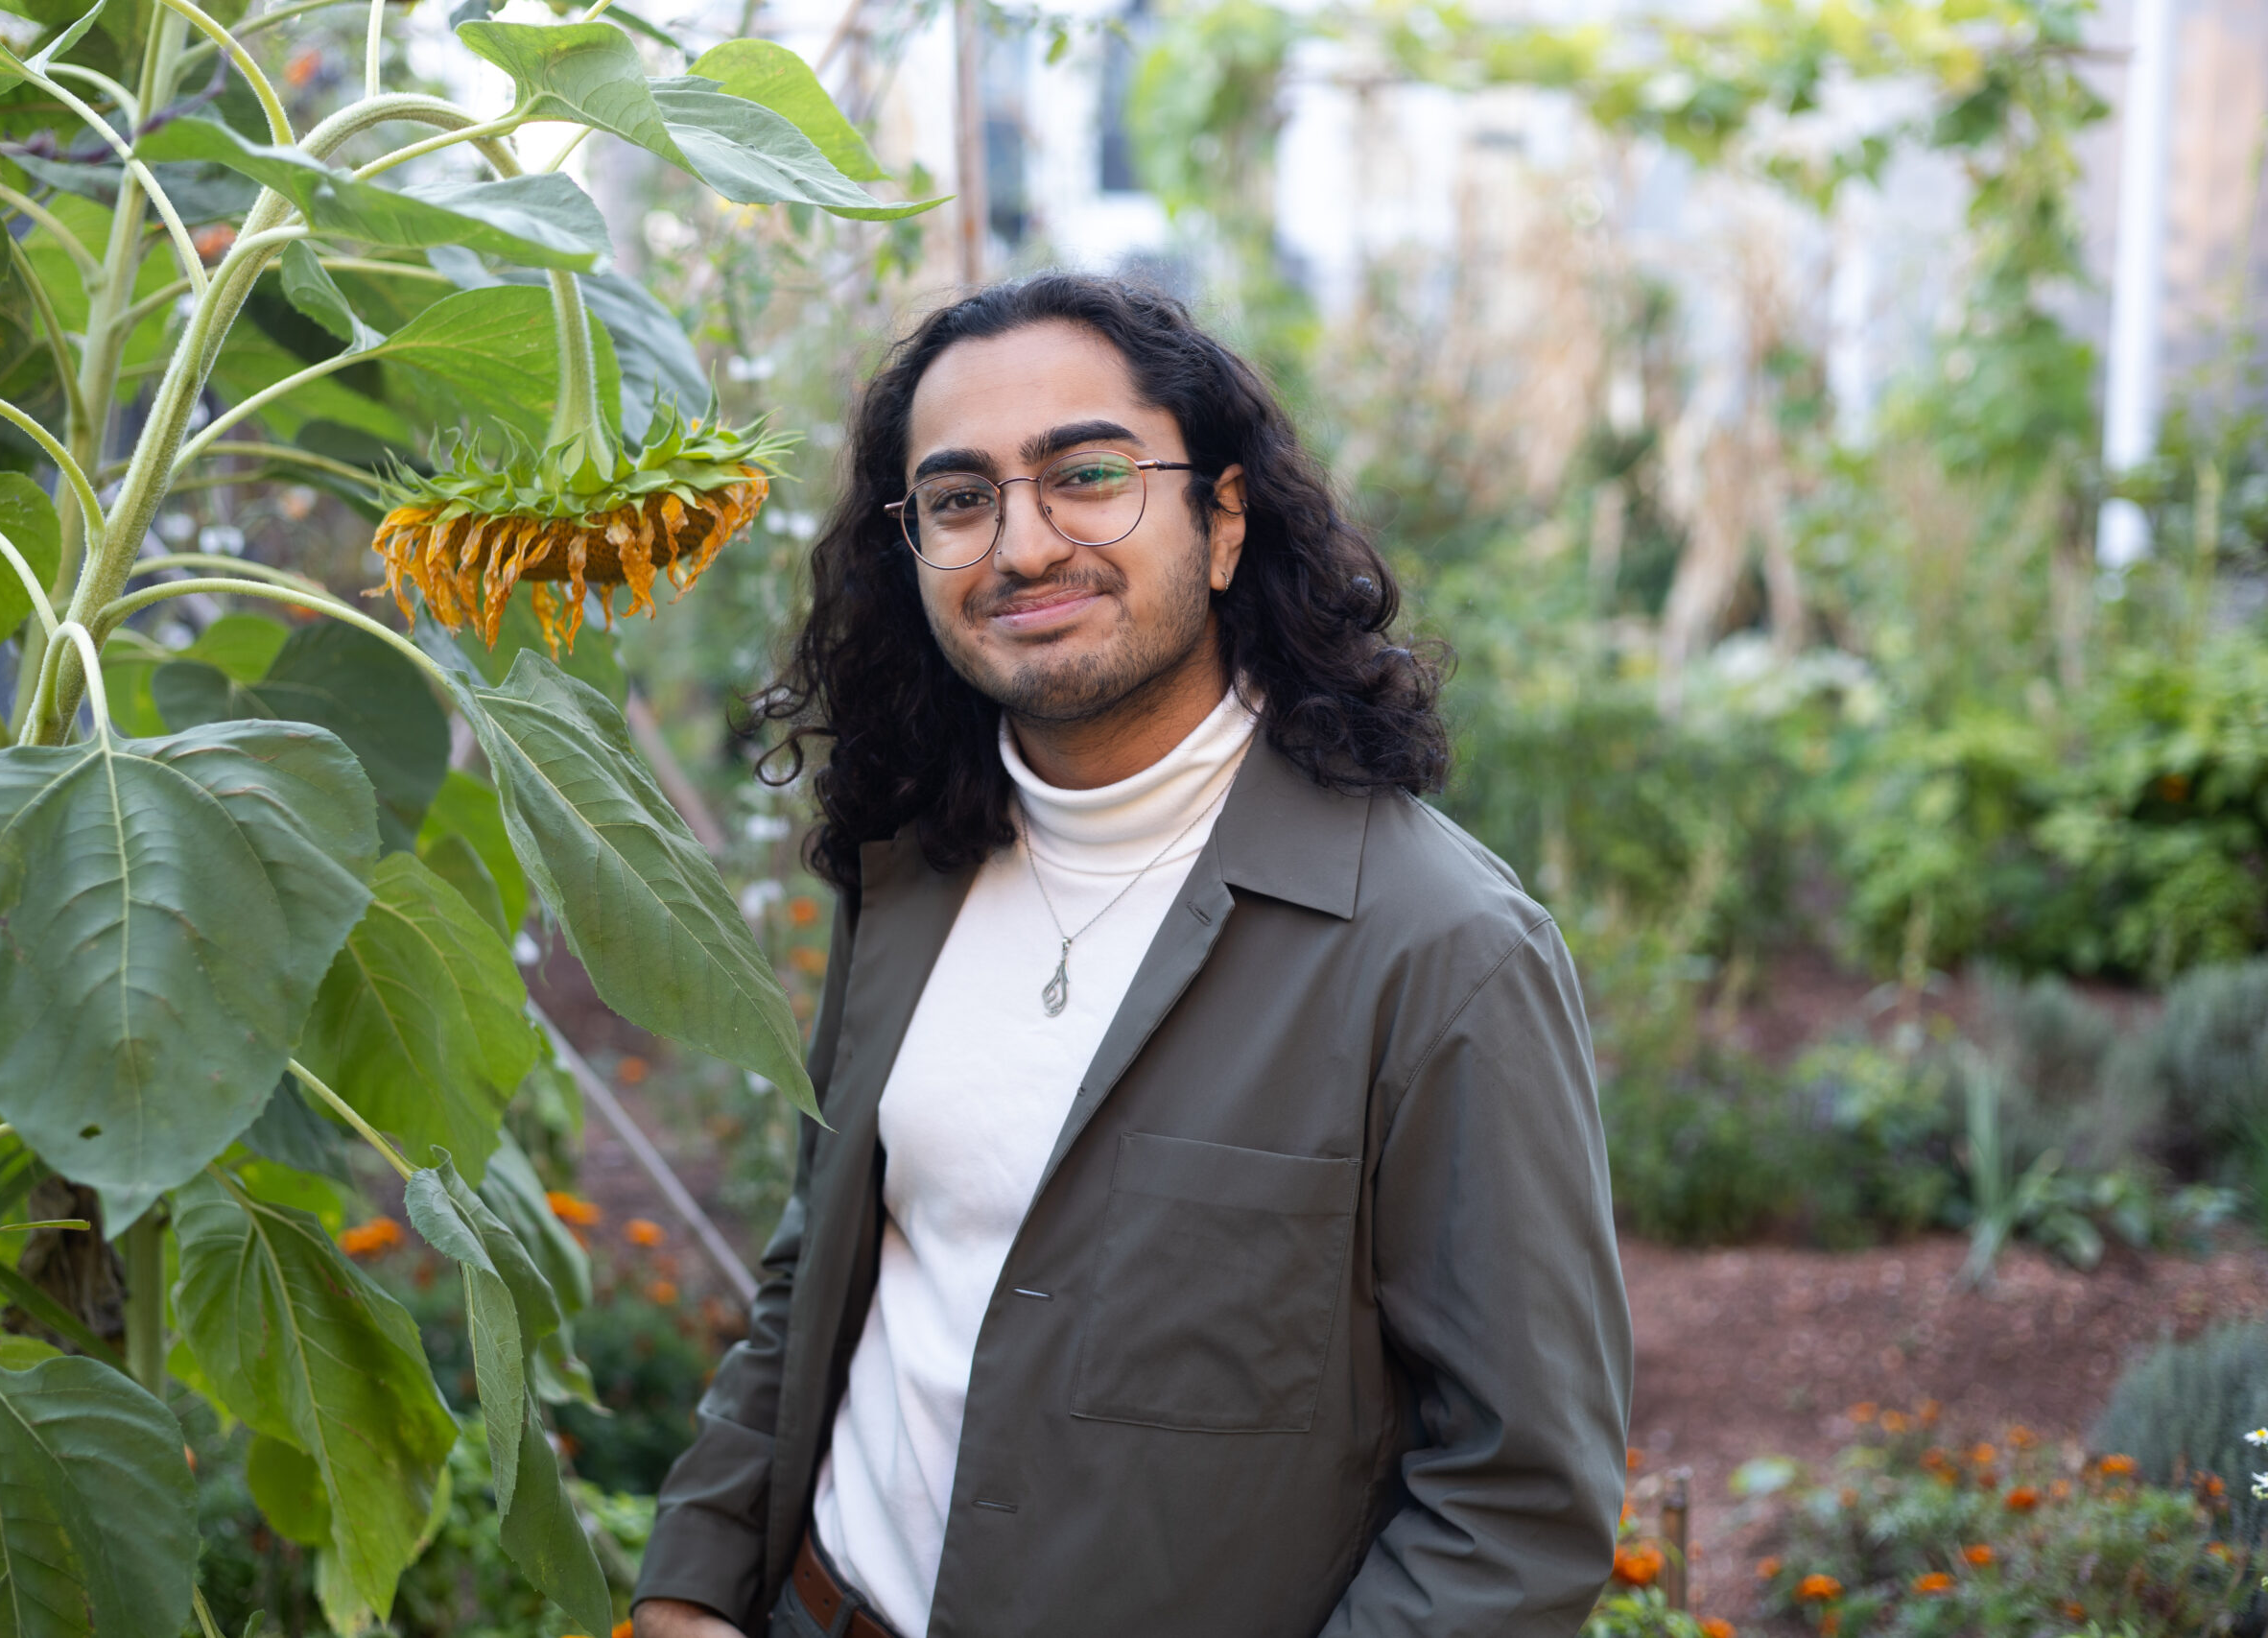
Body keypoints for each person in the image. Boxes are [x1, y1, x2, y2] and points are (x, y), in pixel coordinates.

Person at [631, 273, 1631, 1638]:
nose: (1024, 545)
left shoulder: (1439, 952)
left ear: (1222, 523)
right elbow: (828, 1262)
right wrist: (694, 1581)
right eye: (961, 498)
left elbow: (1515, 1505)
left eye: (1087, 475)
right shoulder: (914, 865)